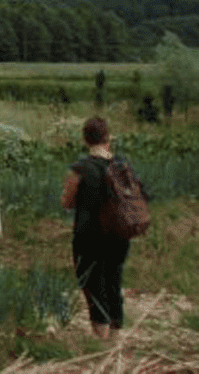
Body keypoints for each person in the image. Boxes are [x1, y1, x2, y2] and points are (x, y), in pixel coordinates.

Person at [61, 117, 143, 339]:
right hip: (119, 235)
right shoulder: (122, 164)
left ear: (85, 139)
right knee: (113, 283)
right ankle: (115, 341)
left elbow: (66, 202)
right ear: (108, 138)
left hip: (89, 238)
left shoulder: (80, 169)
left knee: (93, 287)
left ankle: (101, 341)